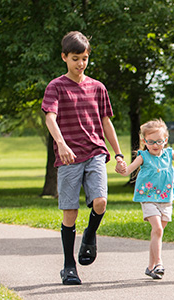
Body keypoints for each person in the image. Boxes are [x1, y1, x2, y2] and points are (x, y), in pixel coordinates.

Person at [42, 31, 127, 285]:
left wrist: (119, 153)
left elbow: (106, 122)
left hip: (95, 152)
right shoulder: (56, 86)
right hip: (69, 157)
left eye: (85, 58)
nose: (80, 64)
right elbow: (50, 117)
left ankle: (90, 235)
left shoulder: (98, 87)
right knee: (70, 213)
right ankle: (69, 266)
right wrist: (61, 144)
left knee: (100, 202)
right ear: (64, 57)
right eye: (76, 58)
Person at [120, 119, 174, 280]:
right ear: (144, 141)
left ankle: (150, 267)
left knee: (157, 233)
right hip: (148, 197)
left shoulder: (169, 153)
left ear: (165, 140)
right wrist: (122, 167)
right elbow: (127, 171)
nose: (155, 145)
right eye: (151, 142)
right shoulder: (142, 156)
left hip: (166, 198)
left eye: (159, 141)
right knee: (157, 229)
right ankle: (159, 263)